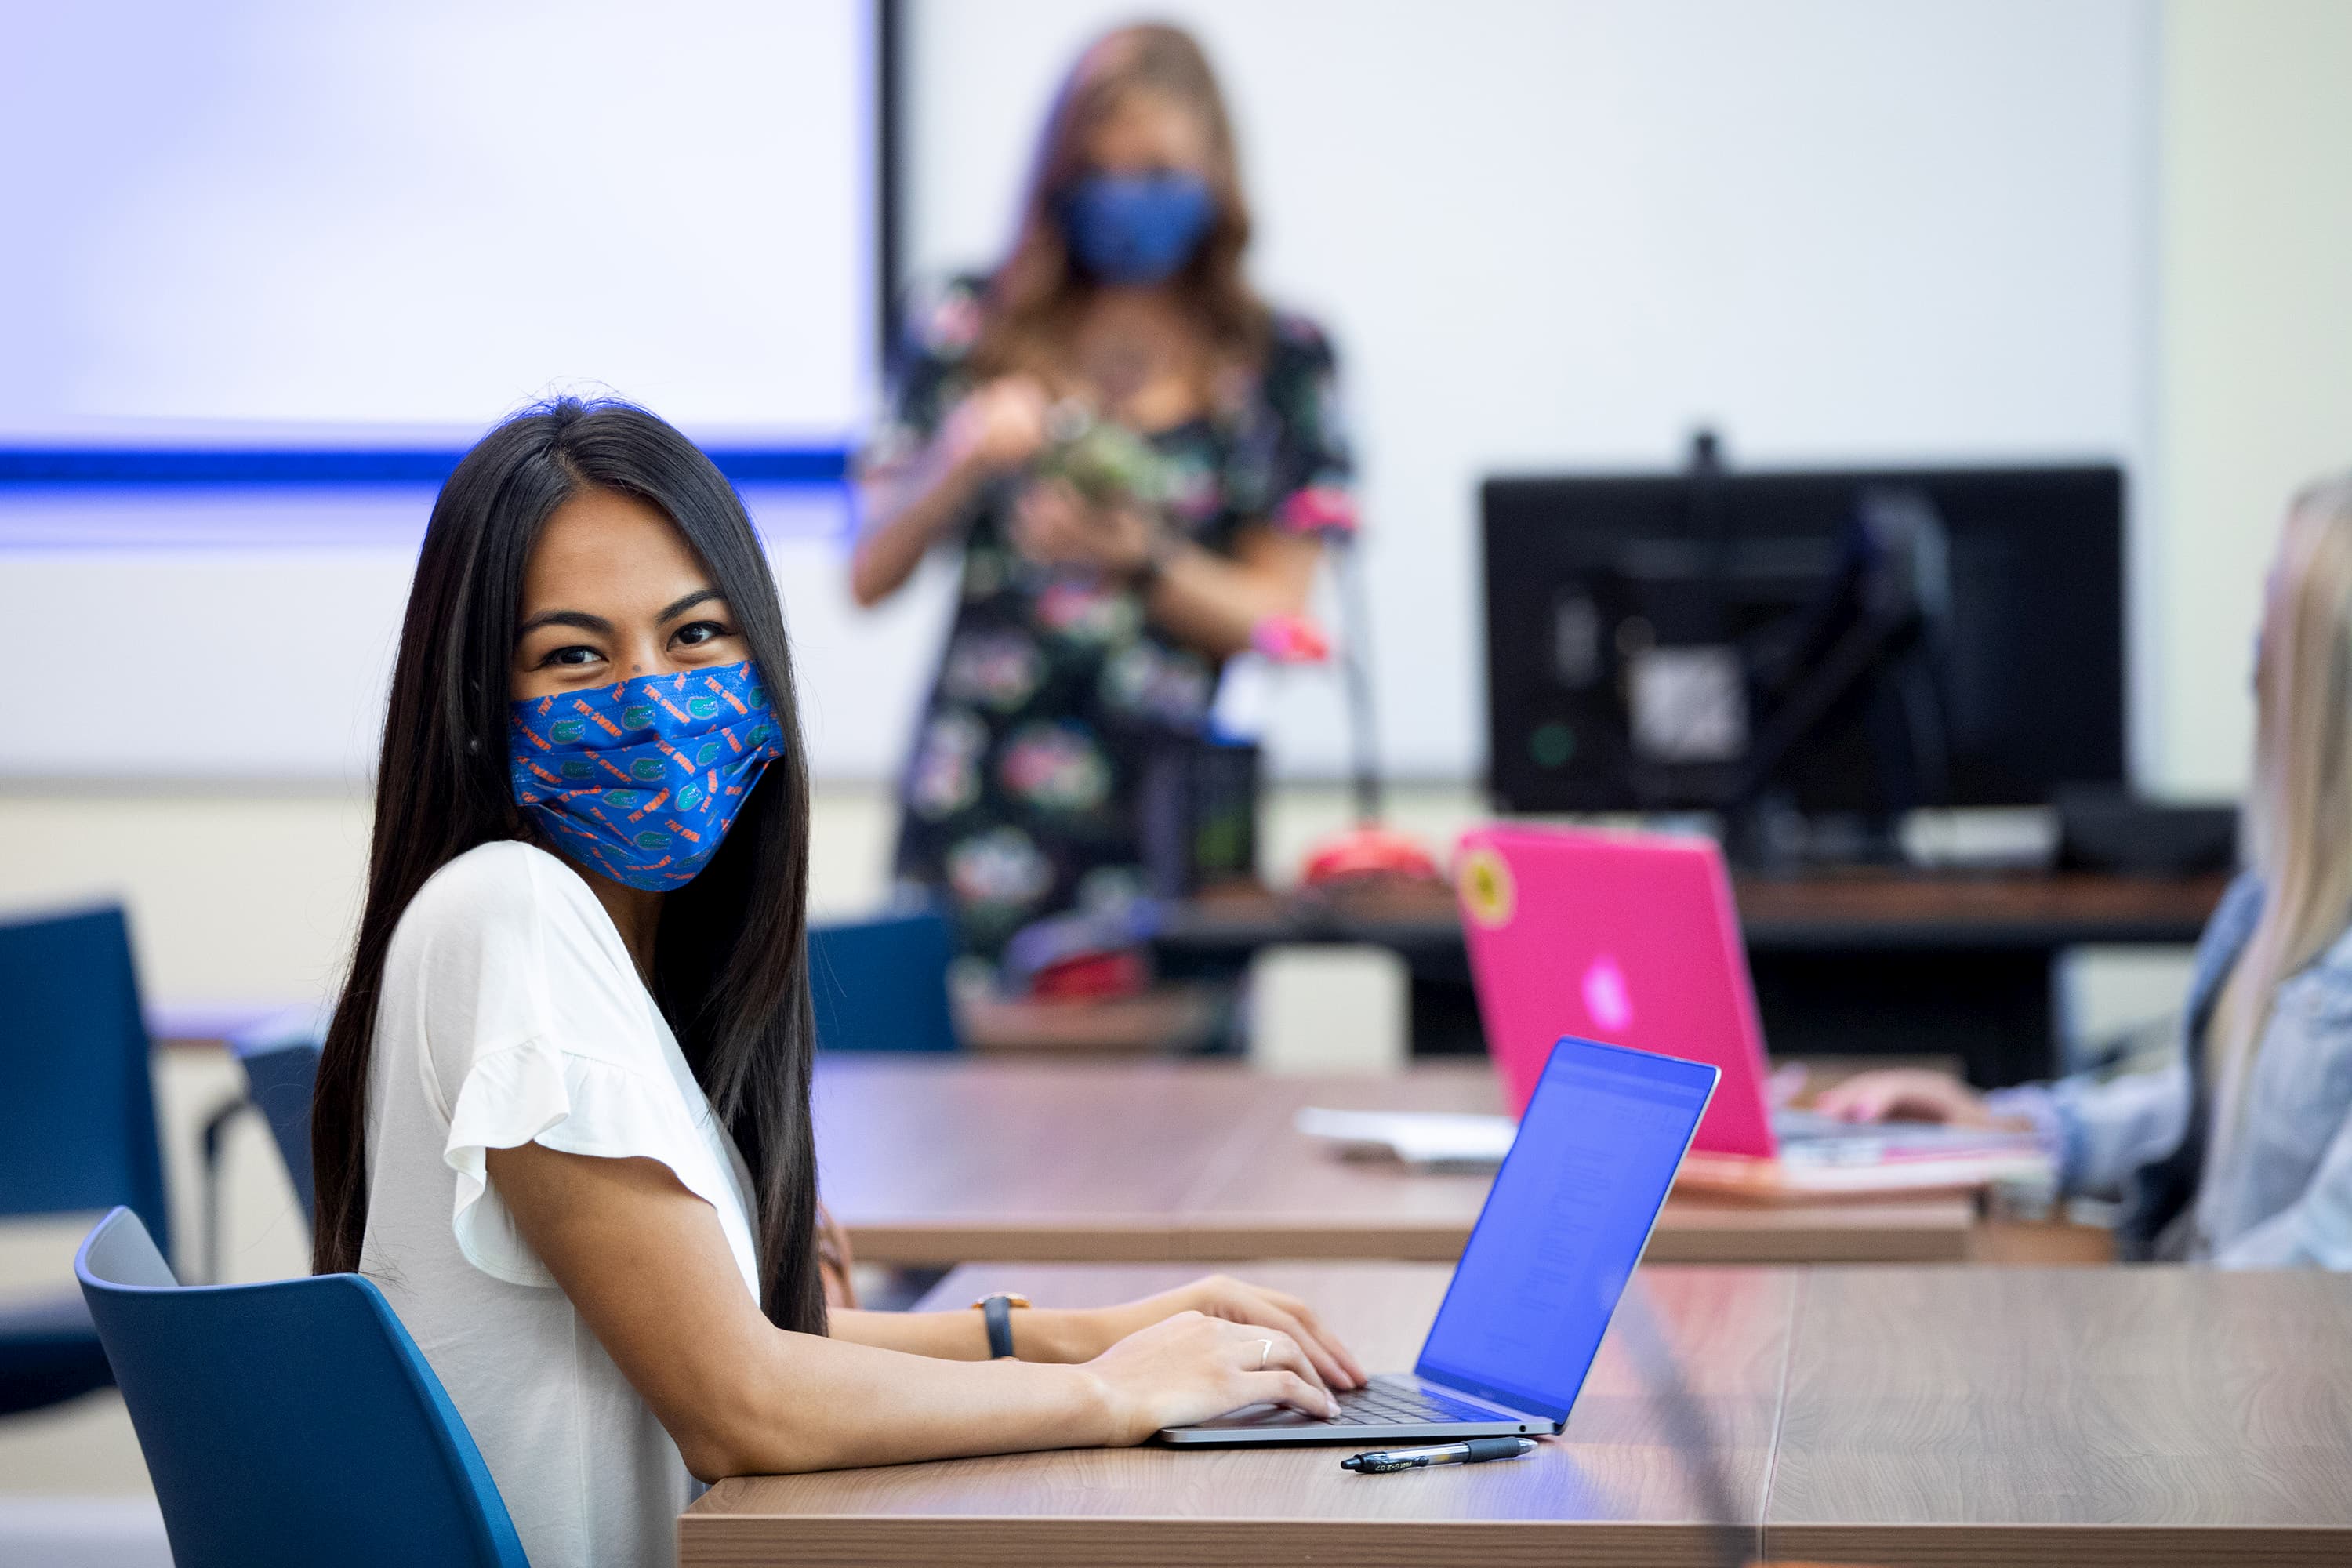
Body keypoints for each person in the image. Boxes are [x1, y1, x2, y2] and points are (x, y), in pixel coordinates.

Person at [308, 400, 1363, 1568]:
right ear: (474, 710)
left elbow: (749, 1343)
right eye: (573, 655)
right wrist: (1111, 1393)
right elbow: (743, 1402)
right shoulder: (507, 907)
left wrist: (1088, 1334)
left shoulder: (625, 960)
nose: (653, 697)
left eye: (697, 636)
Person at [852, 23, 1355, 962]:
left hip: (1173, 835)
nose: (1128, 199)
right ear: (1062, 178)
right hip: (979, 816)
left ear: (1214, 172)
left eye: (1157, 171)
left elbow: (1283, 619)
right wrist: (957, 457)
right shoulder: (968, 324)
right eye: (1103, 171)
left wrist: (1143, 559)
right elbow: (867, 569)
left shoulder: (1281, 360)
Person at [1818, 475, 2352, 1267]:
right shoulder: (2275, 903)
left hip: (2257, 1364)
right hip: (2212, 1332)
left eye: (2272, 607)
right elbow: (2207, 1103)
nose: (2251, 652)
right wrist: (2014, 1127)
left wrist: (2129, 1327)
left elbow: (2327, 1252)